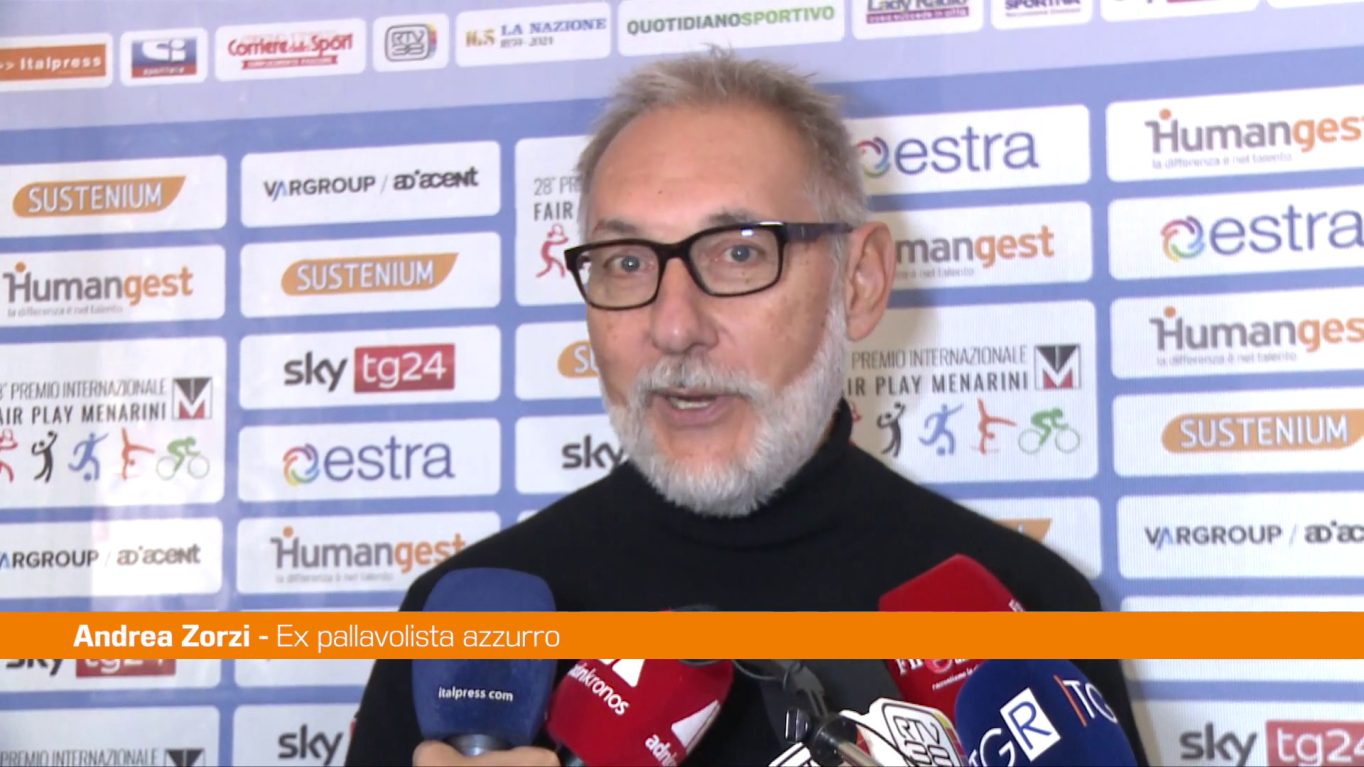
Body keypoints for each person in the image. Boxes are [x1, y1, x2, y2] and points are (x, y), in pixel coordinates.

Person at [346, 50, 1147, 767]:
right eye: (627, 262)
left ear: (859, 283)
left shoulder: (1028, 615)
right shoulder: (468, 638)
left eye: (739, 253)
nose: (674, 326)